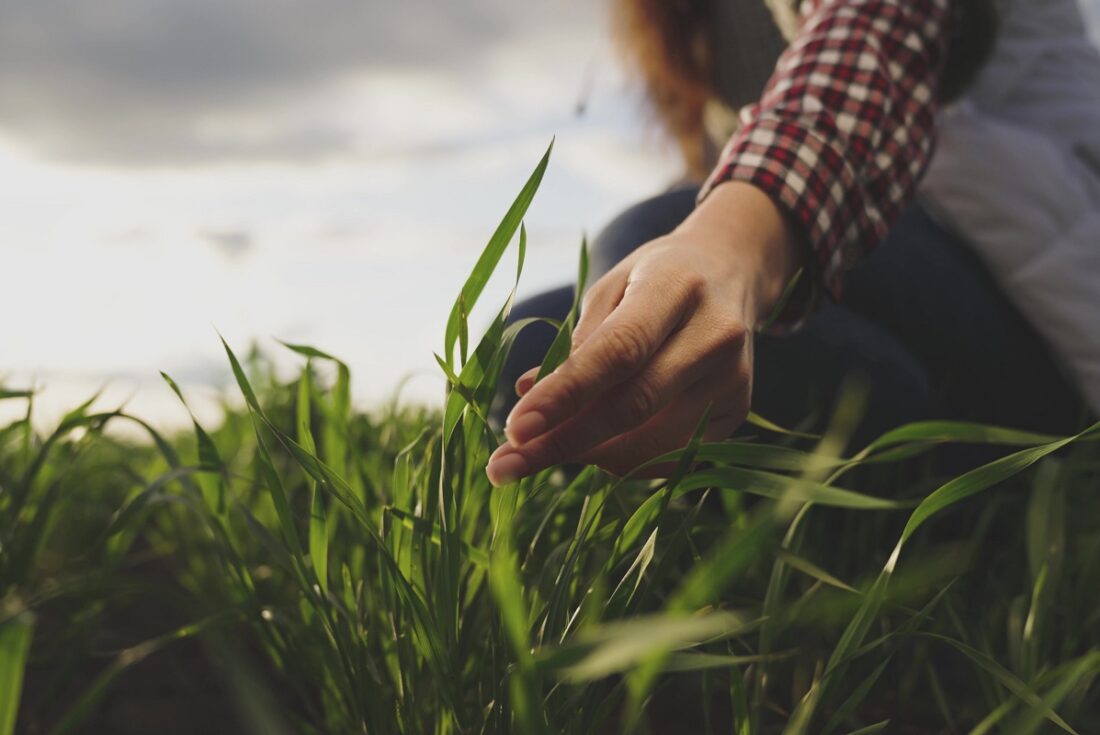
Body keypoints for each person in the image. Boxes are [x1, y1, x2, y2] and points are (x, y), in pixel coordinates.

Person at [485, 0, 1097, 487]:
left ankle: (978, 465)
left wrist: (723, 249)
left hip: (1033, 310)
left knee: (650, 237)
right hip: (865, 288)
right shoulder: (686, 20)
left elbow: (872, 37)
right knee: (529, 339)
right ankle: (885, 458)